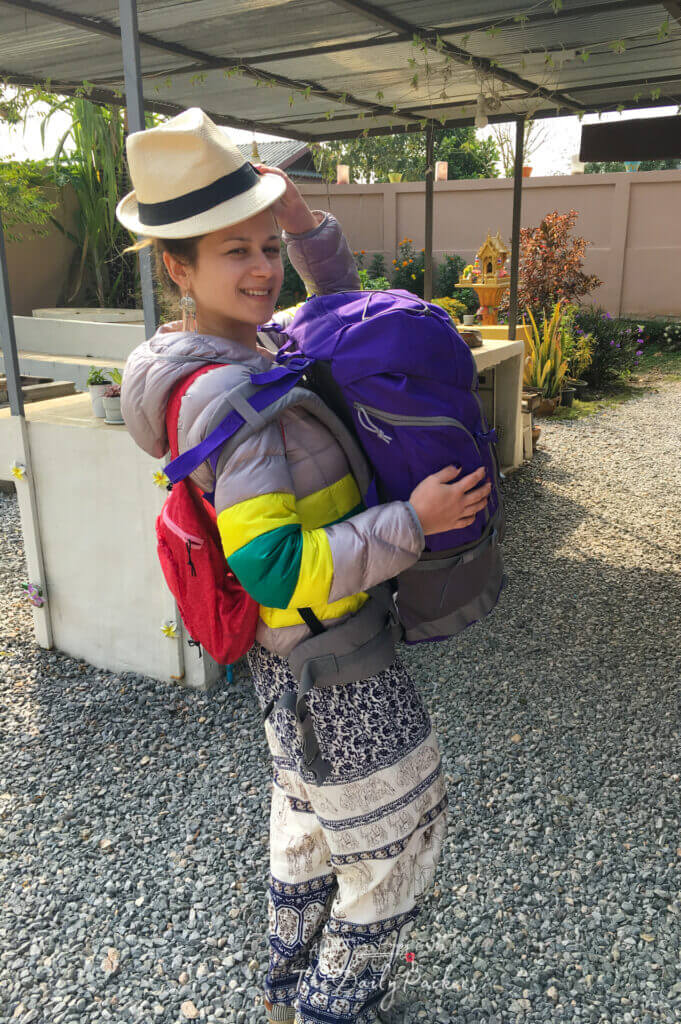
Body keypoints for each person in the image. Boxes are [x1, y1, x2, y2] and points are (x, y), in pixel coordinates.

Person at [118, 108, 490, 1024]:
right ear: (177, 266)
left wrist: (300, 227)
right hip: (334, 661)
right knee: (402, 833)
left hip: (290, 667)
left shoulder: (233, 351)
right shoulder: (237, 396)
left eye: (263, 249)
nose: (259, 270)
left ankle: (287, 985)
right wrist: (416, 518)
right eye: (230, 252)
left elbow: (348, 322)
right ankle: (333, 1006)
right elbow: (278, 569)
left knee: (312, 819)